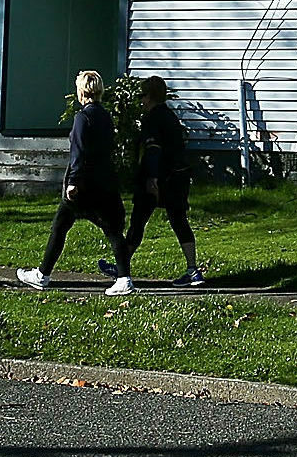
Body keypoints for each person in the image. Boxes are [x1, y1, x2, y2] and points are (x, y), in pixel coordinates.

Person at [17, 70, 135, 296]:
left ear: (82, 91)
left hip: (85, 186)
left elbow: (78, 151)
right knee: (109, 229)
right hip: (105, 180)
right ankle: (123, 277)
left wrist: (73, 181)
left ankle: (44, 275)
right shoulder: (105, 116)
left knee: (63, 228)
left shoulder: (83, 117)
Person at [101, 75, 203, 287]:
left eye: (143, 95)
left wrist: (152, 178)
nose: (140, 100)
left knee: (138, 221)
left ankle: (122, 268)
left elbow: (153, 149)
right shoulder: (170, 116)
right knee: (178, 220)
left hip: (159, 178)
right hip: (178, 176)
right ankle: (193, 269)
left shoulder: (152, 119)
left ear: (151, 96)